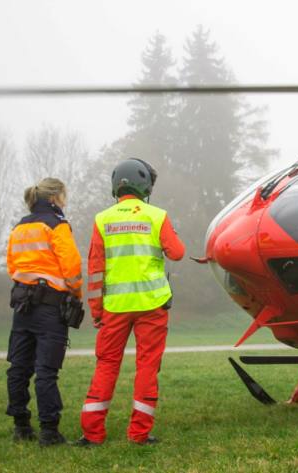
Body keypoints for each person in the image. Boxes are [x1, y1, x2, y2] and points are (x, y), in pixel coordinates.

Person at [77, 159, 184, 446]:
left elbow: (95, 270)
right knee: (147, 366)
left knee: (106, 365)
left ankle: (92, 433)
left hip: (115, 308)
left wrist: (97, 310)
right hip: (152, 304)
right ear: (145, 185)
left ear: (116, 185)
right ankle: (139, 433)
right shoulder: (157, 215)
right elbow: (177, 253)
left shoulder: (102, 220)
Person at [6, 178, 83, 446]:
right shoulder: (57, 225)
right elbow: (71, 266)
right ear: (54, 198)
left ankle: (21, 426)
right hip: (50, 307)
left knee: (18, 368)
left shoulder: (20, 227)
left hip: (22, 305)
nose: (65, 200)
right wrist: (76, 294)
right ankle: (49, 431)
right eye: (64, 195)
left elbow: (11, 264)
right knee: (46, 371)